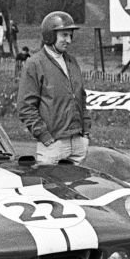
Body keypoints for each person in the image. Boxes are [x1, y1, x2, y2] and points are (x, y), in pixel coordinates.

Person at [17, 12, 91, 165]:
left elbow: (81, 99)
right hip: (53, 144)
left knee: (78, 188)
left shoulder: (72, 61)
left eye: (70, 35)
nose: (69, 40)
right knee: (51, 188)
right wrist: (44, 136)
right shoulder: (34, 64)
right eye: (64, 35)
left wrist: (85, 132)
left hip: (78, 142)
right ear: (50, 35)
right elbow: (25, 107)